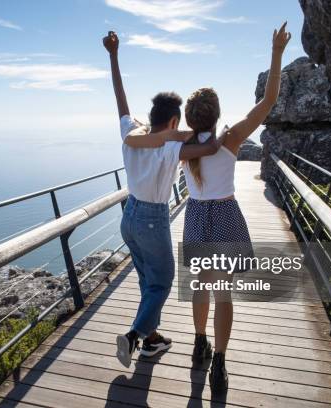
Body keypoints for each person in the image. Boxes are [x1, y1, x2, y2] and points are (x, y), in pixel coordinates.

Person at [122, 23, 291, 390]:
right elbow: (268, 102)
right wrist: (276, 52)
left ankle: (199, 345)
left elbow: (140, 138)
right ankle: (219, 363)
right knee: (223, 292)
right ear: (216, 115)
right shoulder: (230, 139)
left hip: (197, 216)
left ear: (190, 119)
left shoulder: (181, 147)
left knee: (200, 284)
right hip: (226, 215)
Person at [102, 31, 223, 368]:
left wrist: (113, 54)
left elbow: (120, 99)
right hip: (153, 219)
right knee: (163, 280)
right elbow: (209, 145)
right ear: (173, 121)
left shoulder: (131, 134)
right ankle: (132, 337)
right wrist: (206, 135)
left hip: (129, 216)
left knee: (147, 280)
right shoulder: (170, 149)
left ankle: (152, 340)